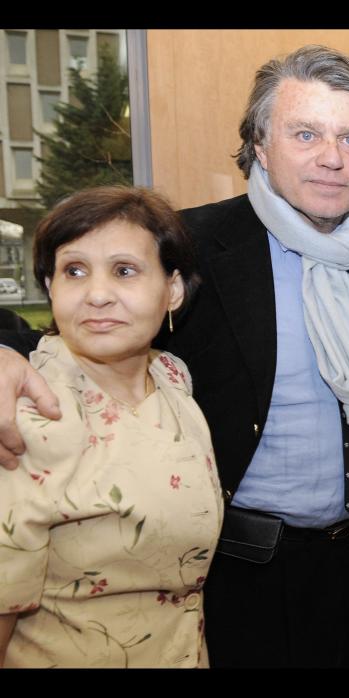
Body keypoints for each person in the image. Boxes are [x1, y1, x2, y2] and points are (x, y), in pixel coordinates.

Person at [0, 45, 349, 668]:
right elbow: (94, 314)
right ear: (259, 143)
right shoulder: (192, 245)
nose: (332, 157)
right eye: (305, 133)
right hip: (247, 574)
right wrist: (6, 354)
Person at [0, 186, 215, 668]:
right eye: (74, 271)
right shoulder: (26, 414)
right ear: (51, 288)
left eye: (124, 270)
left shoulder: (173, 378)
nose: (97, 294)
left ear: (173, 289)